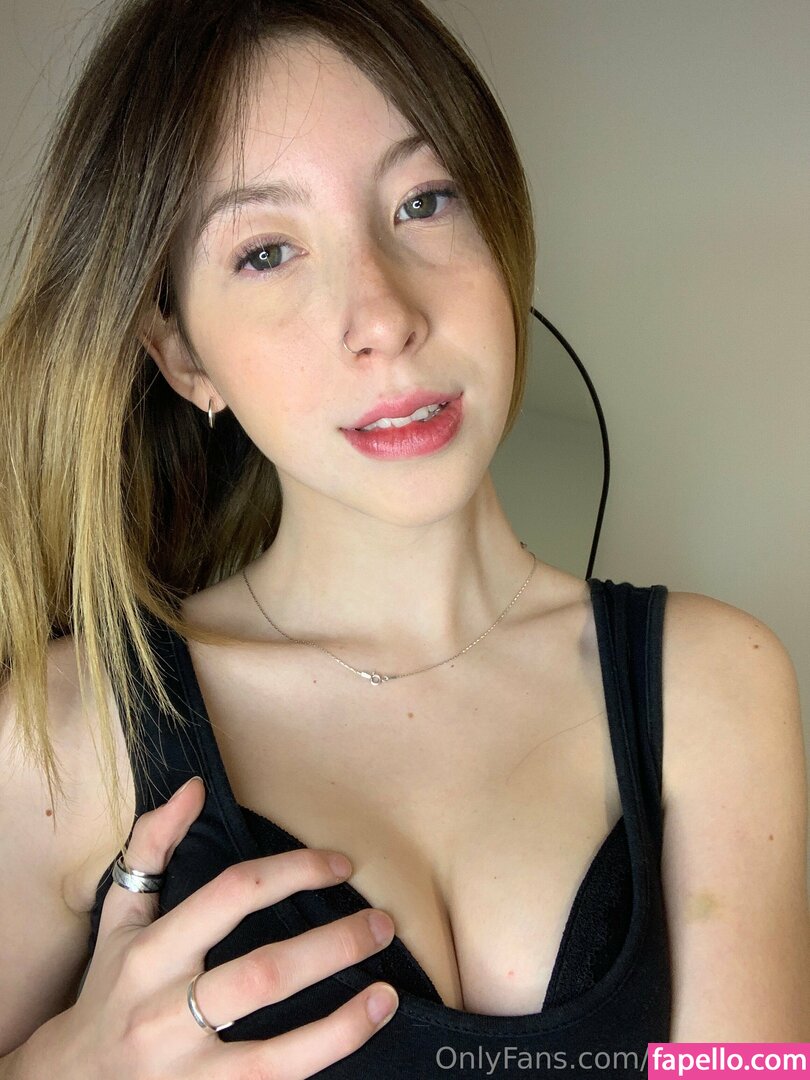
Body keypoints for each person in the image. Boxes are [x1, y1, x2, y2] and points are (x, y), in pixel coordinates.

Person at [1, 0, 808, 1075]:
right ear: (183, 354)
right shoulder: (63, 738)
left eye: (424, 201)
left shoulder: (714, 684)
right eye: (267, 252)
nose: (382, 316)